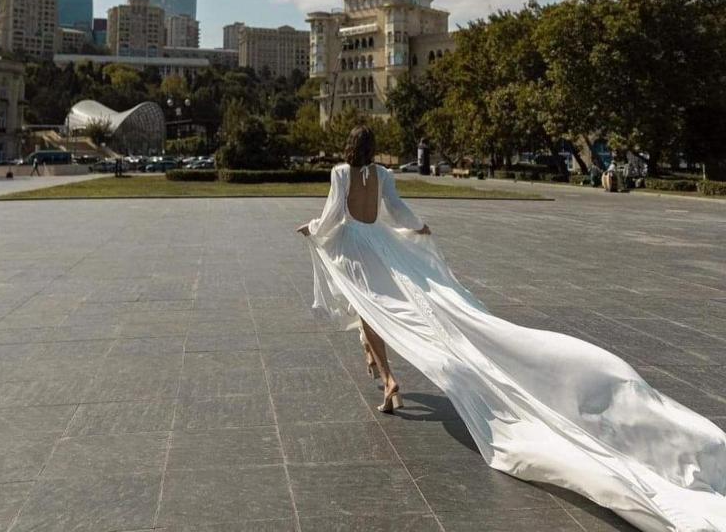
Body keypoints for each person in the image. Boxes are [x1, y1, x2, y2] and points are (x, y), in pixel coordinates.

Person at [298, 124, 726, 532]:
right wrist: (416, 227)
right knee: (390, 309)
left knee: (373, 309)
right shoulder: (386, 174)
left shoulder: (340, 173)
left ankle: (389, 378)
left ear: (349, 148)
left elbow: (334, 215)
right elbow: (397, 210)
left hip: (356, 247)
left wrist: (313, 230)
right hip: (382, 243)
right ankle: (383, 372)